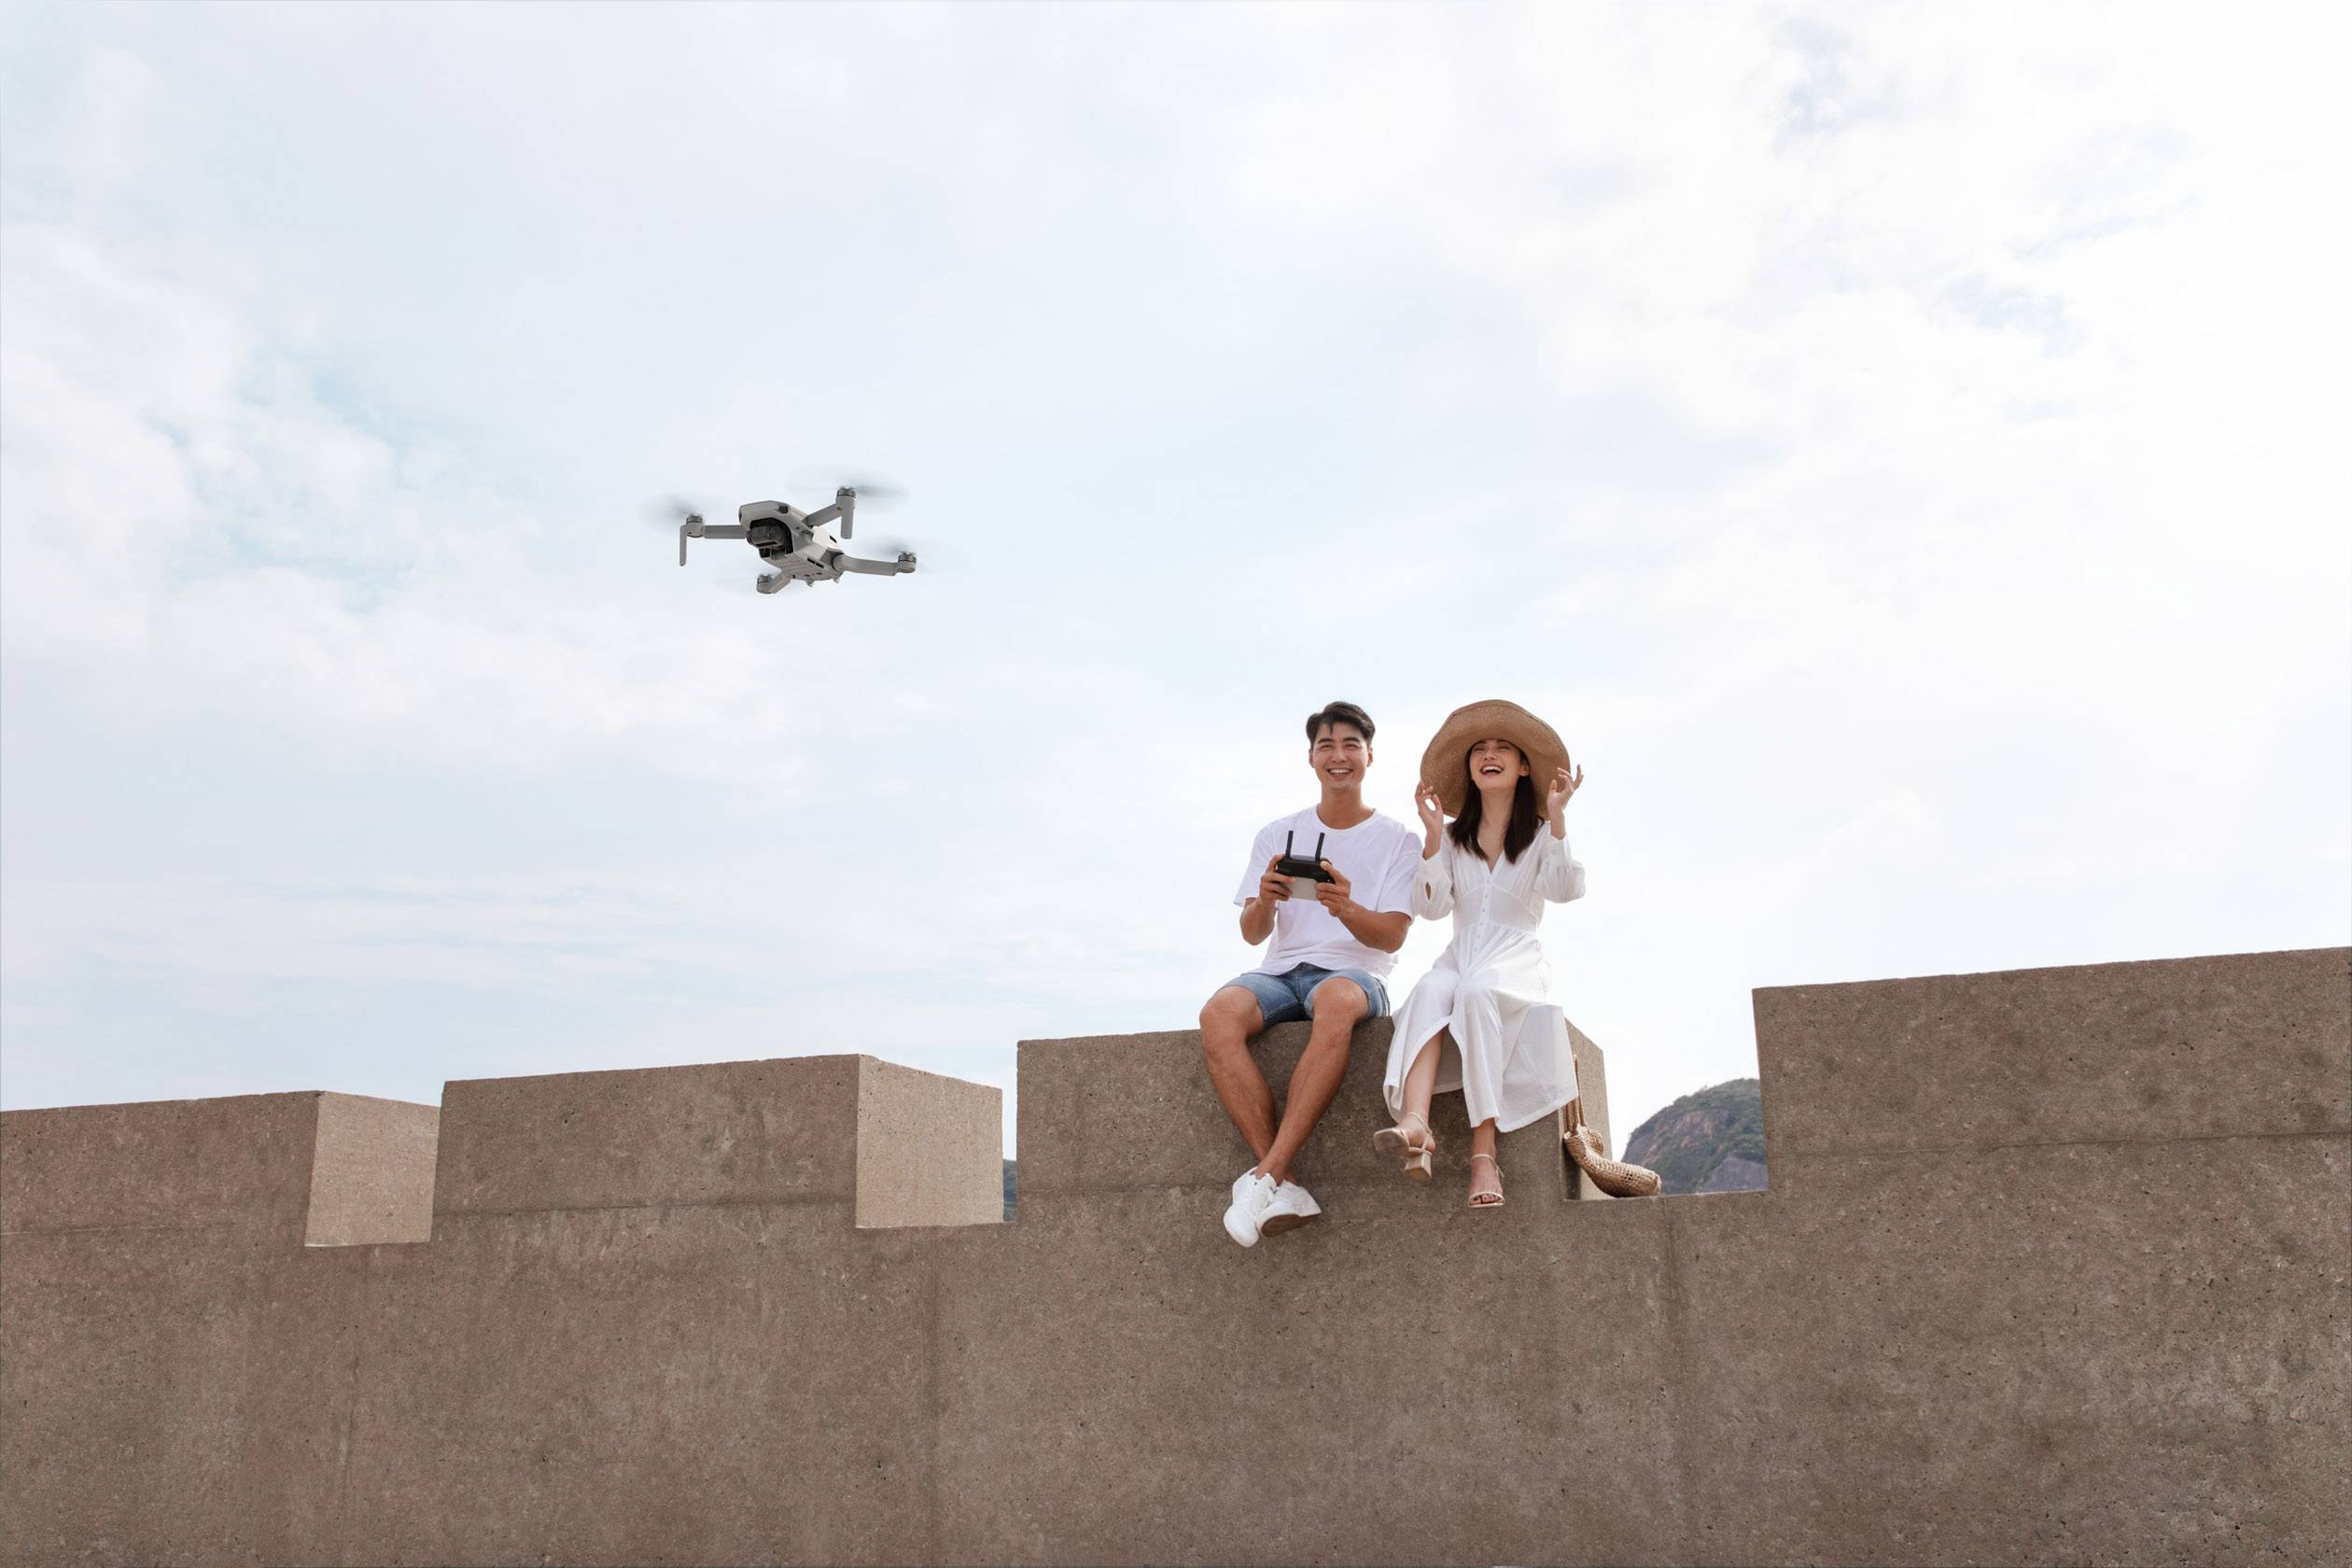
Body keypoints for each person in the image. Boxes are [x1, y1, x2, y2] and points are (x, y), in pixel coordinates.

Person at [1200, 700, 1422, 1247]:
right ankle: (1286, 1183)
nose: (1338, 756)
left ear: (1370, 755)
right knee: (1218, 1014)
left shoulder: (1399, 840)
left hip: (1355, 973)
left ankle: (1265, 1176)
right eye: (1326, 745)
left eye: (1350, 744)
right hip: (1281, 971)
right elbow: (1252, 934)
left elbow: (1392, 937)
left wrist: (1346, 907)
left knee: (1336, 1001)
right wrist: (1266, 901)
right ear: (1311, 758)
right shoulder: (1277, 833)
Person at [1376, 699, 1587, 1210]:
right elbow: (1432, 909)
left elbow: (1565, 890)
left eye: (1502, 748)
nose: (1489, 755)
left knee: (1475, 993)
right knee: (1430, 989)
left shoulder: (1541, 835)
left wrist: (1559, 819)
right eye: (1480, 750)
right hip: (1461, 952)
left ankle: (1484, 1153)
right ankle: (1416, 1123)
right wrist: (1431, 838)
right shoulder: (1451, 838)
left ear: (1524, 766)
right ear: (1469, 768)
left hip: (1515, 957)